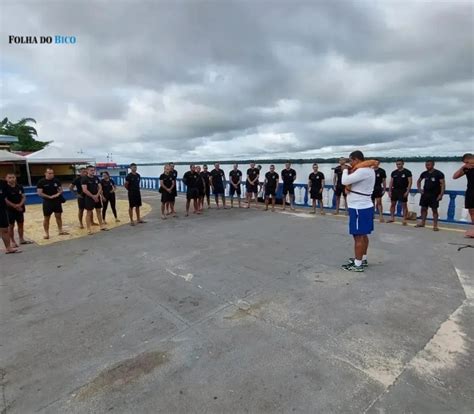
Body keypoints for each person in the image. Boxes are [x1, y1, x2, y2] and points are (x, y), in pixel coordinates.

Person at [340, 151, 375, 272]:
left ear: (356, 159)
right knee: (363, 234)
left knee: (358, 236)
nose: (350, 163)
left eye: (351, 161)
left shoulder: (362, 171)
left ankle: (358, 264)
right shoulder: (369, 170)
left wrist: (345, 169)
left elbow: (344, 181)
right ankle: (362, 259)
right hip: (365, 206)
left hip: (359, 207)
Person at [36, 168, 69, 239]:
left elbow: (60, 190)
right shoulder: (41, 182)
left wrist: (57, 194)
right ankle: (46, 233)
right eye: (49, 173)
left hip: (57, 201)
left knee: (58, 216)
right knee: (46, 218)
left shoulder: (56, 181)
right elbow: (39, 193)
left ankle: (60, 230)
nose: (51, 175)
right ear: (45, 173)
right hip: (47, 202)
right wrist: (49, 197)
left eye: (52, 173)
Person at [416, 160, 445, 231]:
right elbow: (419, 181)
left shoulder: (439, 173)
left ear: (433, 165)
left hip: (434, 195)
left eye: (429, 165)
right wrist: (419, 189)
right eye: (426, 165)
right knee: (423, 209)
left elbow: (443, 185)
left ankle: (435, 225)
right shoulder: (424, 173)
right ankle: (422, 222)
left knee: (434, 210)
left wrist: (441, 195)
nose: (427, 166)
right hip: (425, 194)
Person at [5, 173, 31, 247]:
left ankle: (21, 239)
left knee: (20, 224)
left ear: (15, 178)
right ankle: (12, 241)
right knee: (11, 226)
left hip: (20, 209)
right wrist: (14, 206)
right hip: (9, 210)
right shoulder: (5, 188)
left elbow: (23, 197)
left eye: (13, 177)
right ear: (6, 179)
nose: (12, 179)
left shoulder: (19, 186)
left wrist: (19, 205)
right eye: (9, 177)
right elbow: (5, 199)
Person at [81, 165, 108, 234]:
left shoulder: (96, 178)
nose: (93, 172)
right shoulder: (84, 179)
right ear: (87, 171)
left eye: (93, 170)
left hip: (97, 196)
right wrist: (93, 196)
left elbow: (100, 187)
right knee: (89, 213)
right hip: (89, 198)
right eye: (91, 170)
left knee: (99, 211)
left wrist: (97, 195)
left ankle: (101, 226)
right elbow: (84, 190)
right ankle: (88, 229)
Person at [453, 153, 474, 238]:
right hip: (470, 191)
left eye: (466, 162)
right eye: (465, 163)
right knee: (471, 211)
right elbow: (454, 177)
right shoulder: (466, 168)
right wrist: (463, 167)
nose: (466, 164)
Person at [388, 159, 412, 225]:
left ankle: (404, 219)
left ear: (403, 164)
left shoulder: (407, 172)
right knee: (393, 204)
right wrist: (389, 191)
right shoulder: (394, 172)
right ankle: (392, 217)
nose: (398, 165)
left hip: (403, 190)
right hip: (395, 190)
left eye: (400, 164)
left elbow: (410, 182)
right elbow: (391, 182)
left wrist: (407, 191)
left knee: (404, 205)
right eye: (397, 164)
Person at [1, 178, 19, 253]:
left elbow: (8, 195)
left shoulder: (3, 183)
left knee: (4, 229)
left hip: (1, 209)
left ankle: (8, 248)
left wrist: (16, 205)